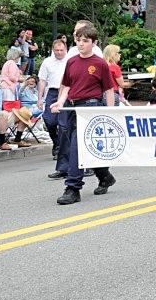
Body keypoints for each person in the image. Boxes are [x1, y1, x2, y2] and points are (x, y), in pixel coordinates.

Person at [50, 25, 116, 205]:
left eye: (85, 41)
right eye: (78, 40)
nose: (81, 44)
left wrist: (109, 114)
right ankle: (105, 176)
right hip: (72, 107)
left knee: (77, 147)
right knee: (85, 147)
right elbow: (67, 86)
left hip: (90, 108)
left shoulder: (100, 63)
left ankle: (73, 187)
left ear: (94, 43)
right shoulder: (71, 62)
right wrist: (60, 101)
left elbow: (109, 90)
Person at [37, 39, 68, 173]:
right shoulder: (47, 62)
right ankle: (56, 142)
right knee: (49, 121)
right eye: (57, 50)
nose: (59, 53)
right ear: (53, 50)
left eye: (62, 50)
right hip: (53, 91)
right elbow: (42, 81)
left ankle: (59, 148)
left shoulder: (70, 60)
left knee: (63, 123)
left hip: (66, 91)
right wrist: (40, 99)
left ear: (65, 49)